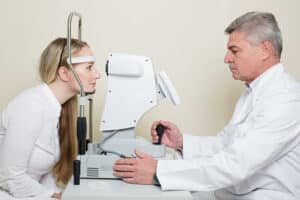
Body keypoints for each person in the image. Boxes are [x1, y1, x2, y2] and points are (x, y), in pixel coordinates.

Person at [113, 11, 300, 200]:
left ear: (265, 50)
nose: (227, 58)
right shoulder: (253, 92)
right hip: (234, 193)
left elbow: (235, 164)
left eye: (235, 51)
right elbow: (225, 145)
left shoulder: (285, 99)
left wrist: (158, 172)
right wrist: (181, 142)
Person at [0, 38, 100, 199]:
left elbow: (44, 174)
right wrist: (51, 196)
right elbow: (10, 176)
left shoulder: (56, 108)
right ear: (64, 73)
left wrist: (60, 194)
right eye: (89, 68)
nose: (97, 75)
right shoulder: (31, 105)